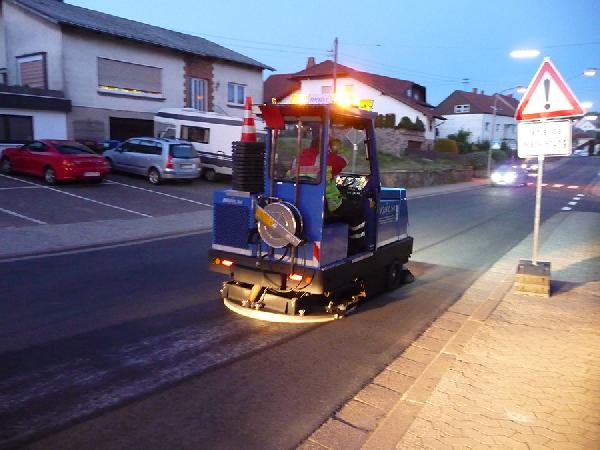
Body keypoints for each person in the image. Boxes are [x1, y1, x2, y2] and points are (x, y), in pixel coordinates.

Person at [324, 138, 367, 255]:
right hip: (331, 203)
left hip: (308, 202)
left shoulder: (298, 159)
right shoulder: (327, 159)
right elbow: (344, 161)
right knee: (358, 210)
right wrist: (334, 152)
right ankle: (356, 246)